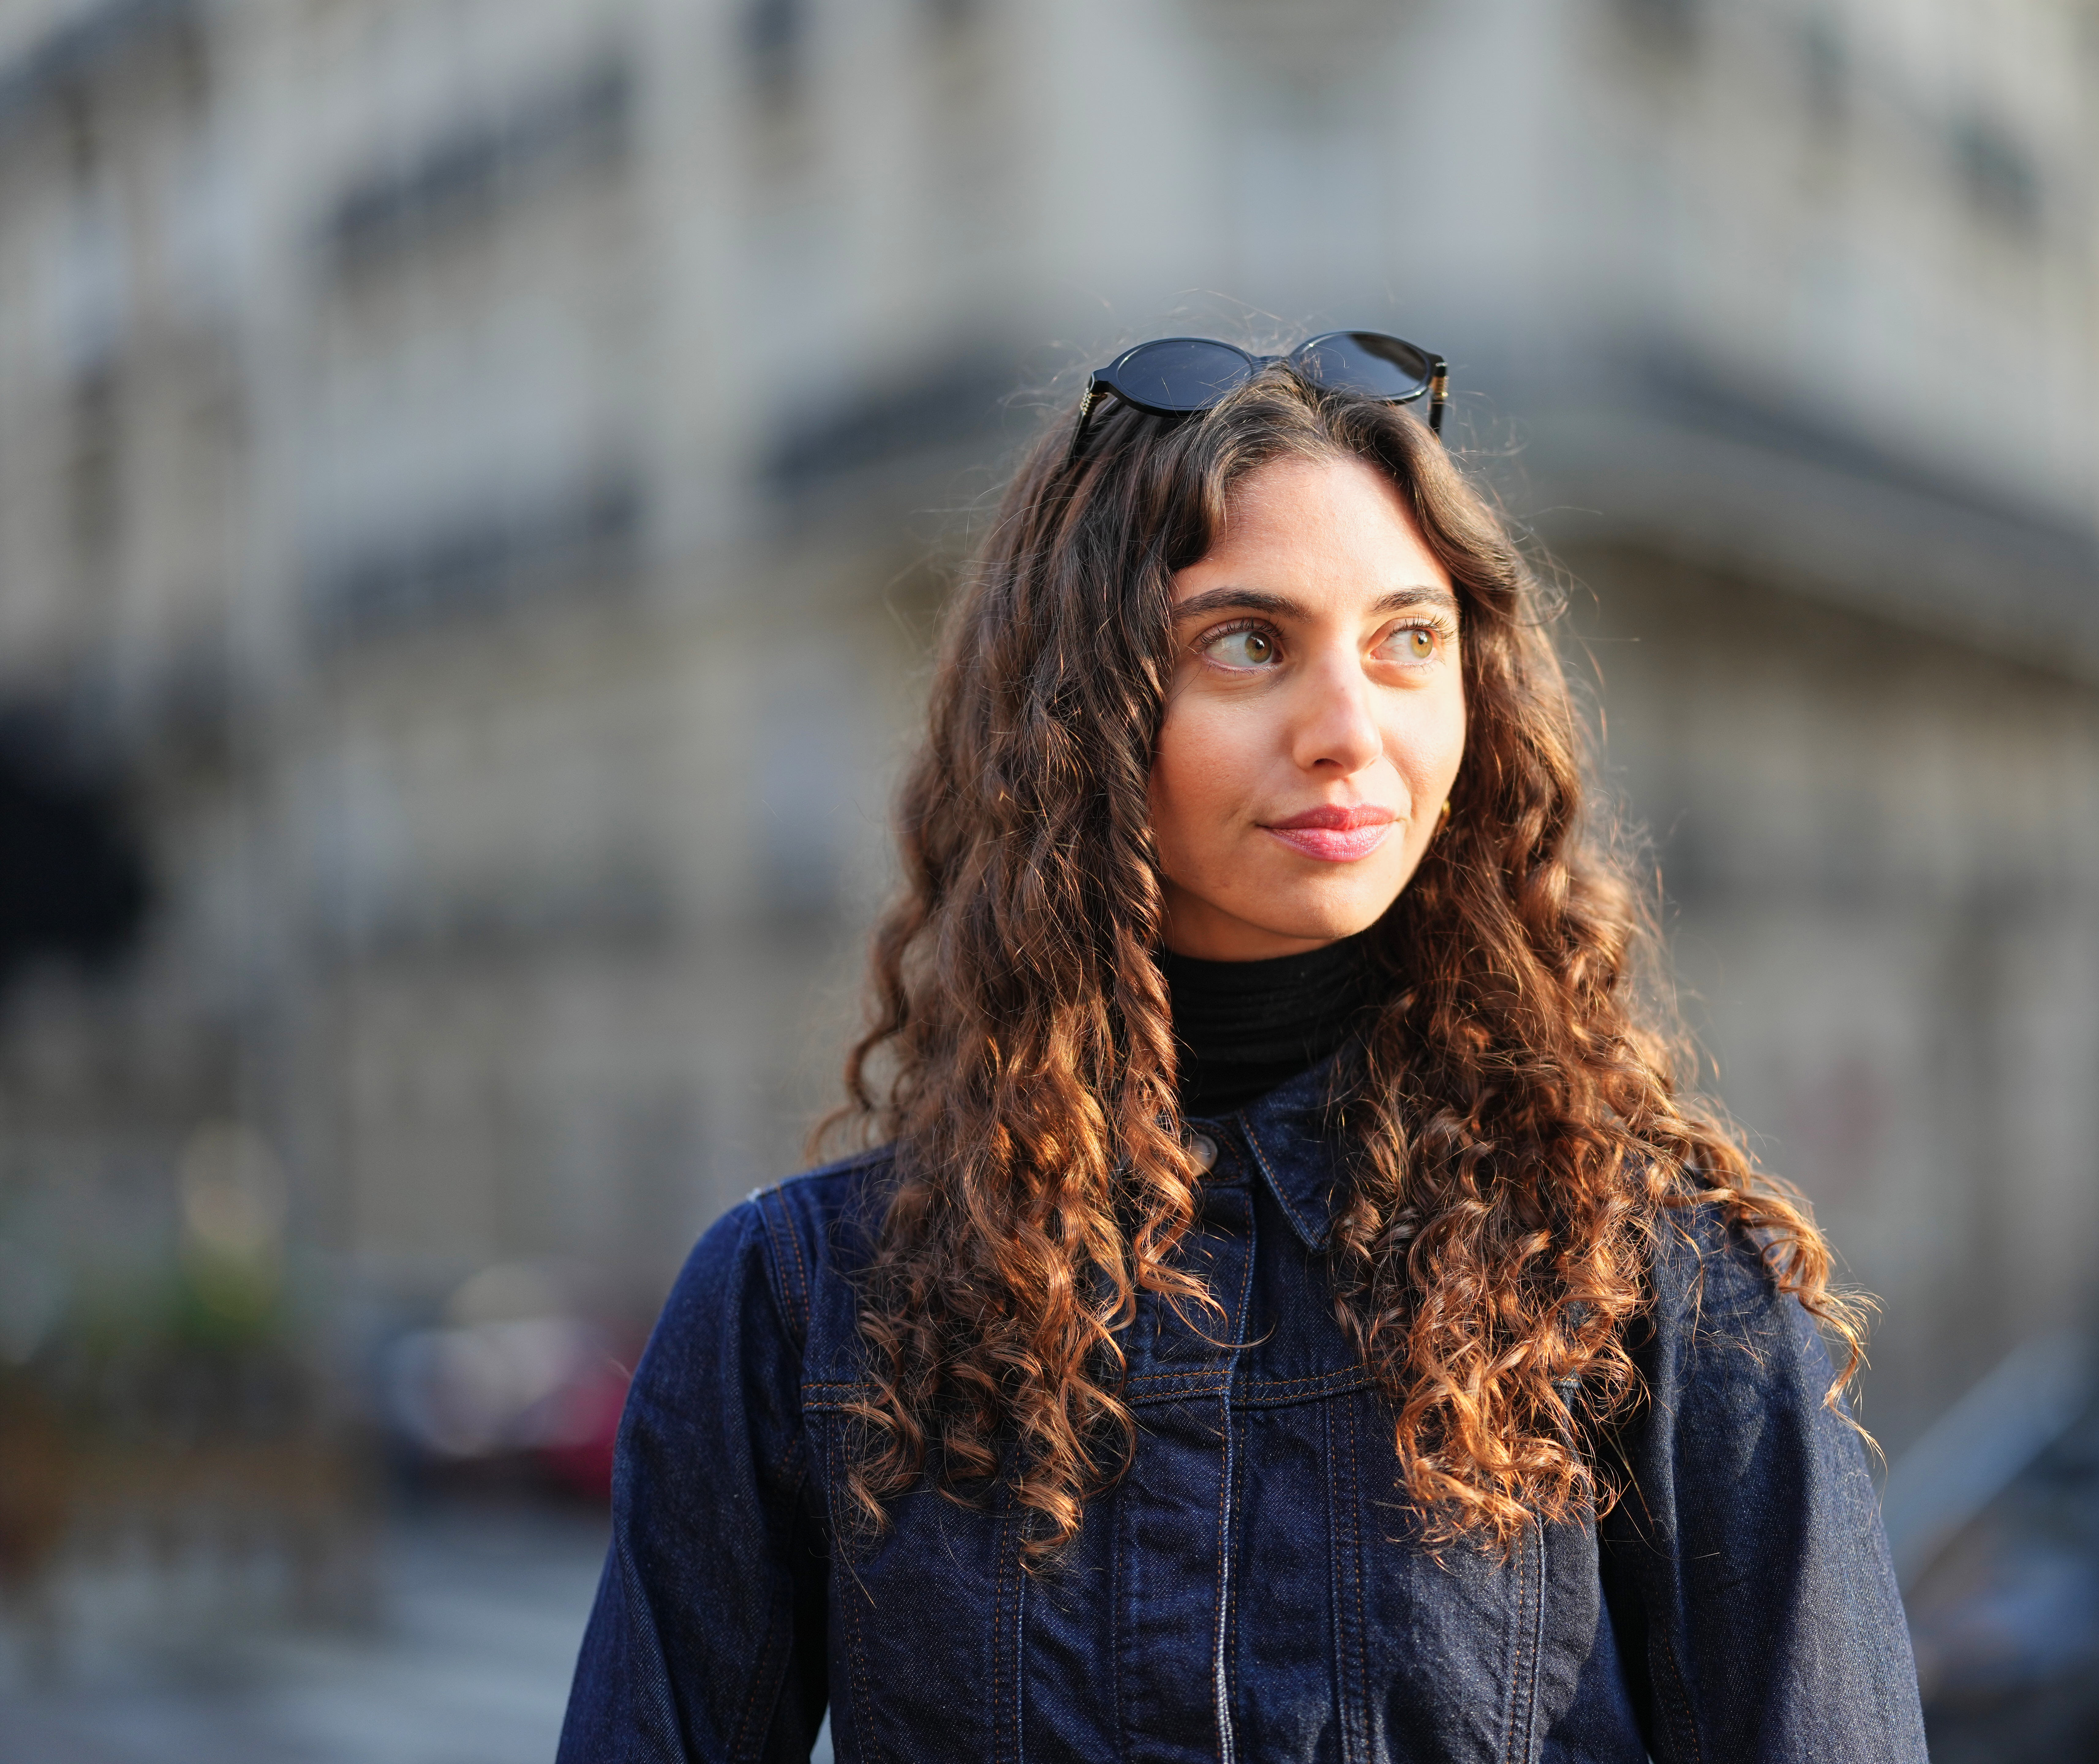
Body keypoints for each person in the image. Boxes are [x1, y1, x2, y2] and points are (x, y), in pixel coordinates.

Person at [558, 332, 1927, 1762]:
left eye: (1411, 641)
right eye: (1248, 645)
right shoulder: (799, 1310)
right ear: (1079, 721)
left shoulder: (1652, 1288)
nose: (1350, 730)